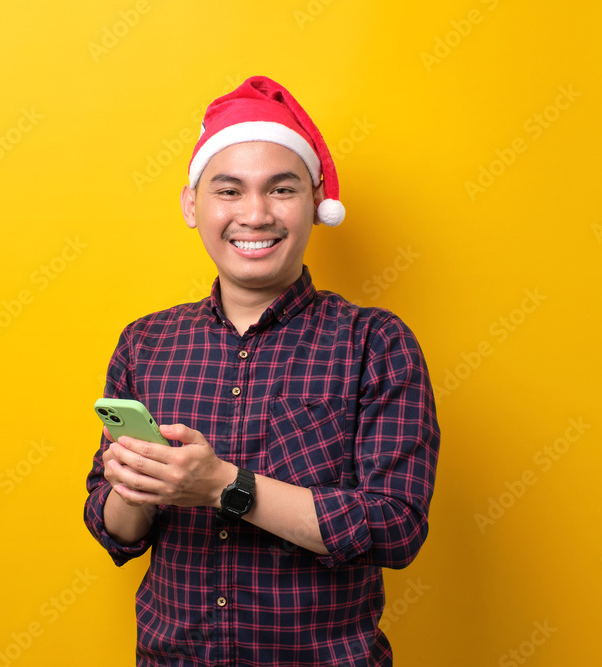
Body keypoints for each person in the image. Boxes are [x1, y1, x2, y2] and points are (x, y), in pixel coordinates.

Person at [84, 75, 440, 666]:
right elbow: (113, 530)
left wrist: (225, 484)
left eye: (281, 190)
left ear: (313, 201)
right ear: (191, 206)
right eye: (229, 191)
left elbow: (395, 528)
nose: (255, 214)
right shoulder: (145, 342)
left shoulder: (377, 343)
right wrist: (136, 487)